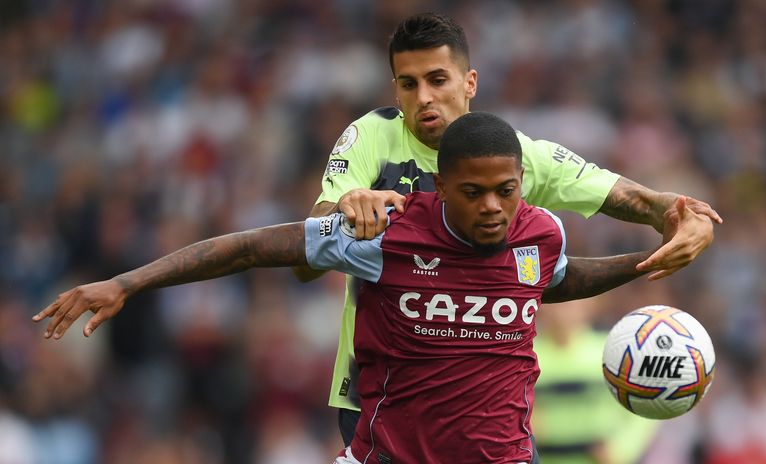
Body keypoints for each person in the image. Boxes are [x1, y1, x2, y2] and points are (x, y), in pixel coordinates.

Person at [35, 112, 667, 463]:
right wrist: (126, 282)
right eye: (473, 193)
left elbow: (558, 279)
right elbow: (250, 247)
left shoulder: (540, 234)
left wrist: (646, 262)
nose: (493, 208)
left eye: (506, 191)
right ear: (440, 187)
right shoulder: (385, 233)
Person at [293, 12, 722, 450]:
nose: (423, 97)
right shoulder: (374, 138)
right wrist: (344, 210)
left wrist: (692, 220)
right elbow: (307, 255)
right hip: (380, 398)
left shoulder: (510, 156)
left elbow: (648, 203)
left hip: (488, 411)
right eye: (409, 84)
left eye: (437, 80)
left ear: (470, 83)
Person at [532, 300, 659, 464]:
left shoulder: (613, 351)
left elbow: (645, 404)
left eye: (569, 303)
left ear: (588, 305)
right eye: (556, 302)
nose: (561, 310)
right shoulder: (527, 357)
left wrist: (620, 449)